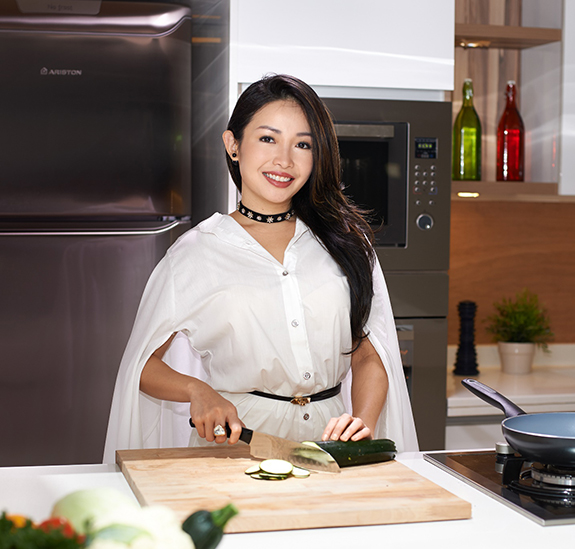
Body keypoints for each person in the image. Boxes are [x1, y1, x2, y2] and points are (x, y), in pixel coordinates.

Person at [103, 74, 417, 463]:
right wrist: (198, 391)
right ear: (233, 145)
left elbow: (370, 354)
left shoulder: (347, 242)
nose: (284, 160)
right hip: (236, 447)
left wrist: (361, 425)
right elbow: (143, 365)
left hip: (331, 448)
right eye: (268, 139)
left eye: (302, 144)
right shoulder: (195, 253)